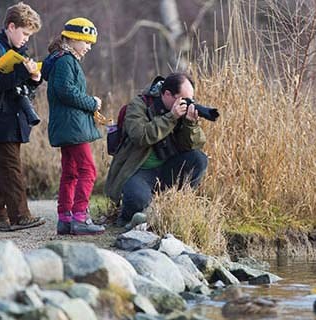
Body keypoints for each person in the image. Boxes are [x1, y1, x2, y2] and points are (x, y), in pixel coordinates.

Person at [0, 1, 45, 232]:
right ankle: (20, 216)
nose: (26, 39)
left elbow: (21, 89)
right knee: (11, 168)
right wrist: (23, 71)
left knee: (3, 168)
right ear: (11, 27)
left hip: (12, 121)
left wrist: (34, 80)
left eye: (29, 35)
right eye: (24, 33)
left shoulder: (20, 53)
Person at [104, 72, 208, 227]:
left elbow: (195, 145)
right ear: (167, 94)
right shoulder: (139, 105)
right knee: (138, 200)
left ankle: (171, 208)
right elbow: (141, 136)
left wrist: (190, 125)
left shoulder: (180, 110)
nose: (187, 103)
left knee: (199, 159)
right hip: (139, 170)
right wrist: (171, 117)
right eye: (184, 99)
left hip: (166, 168)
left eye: (190, 99)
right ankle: (126, 217)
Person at [42, 17, 105, 235]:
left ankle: (65, 218)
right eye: (86, 42)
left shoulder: (63, 59)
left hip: (67, 126)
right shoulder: (66, 61)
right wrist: (92, 103)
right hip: (73, 128)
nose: (88, 47)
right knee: (88, 170)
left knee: (71, 171)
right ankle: (80, 217)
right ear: (74, 39)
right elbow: (65, 90)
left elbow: (64, 90)